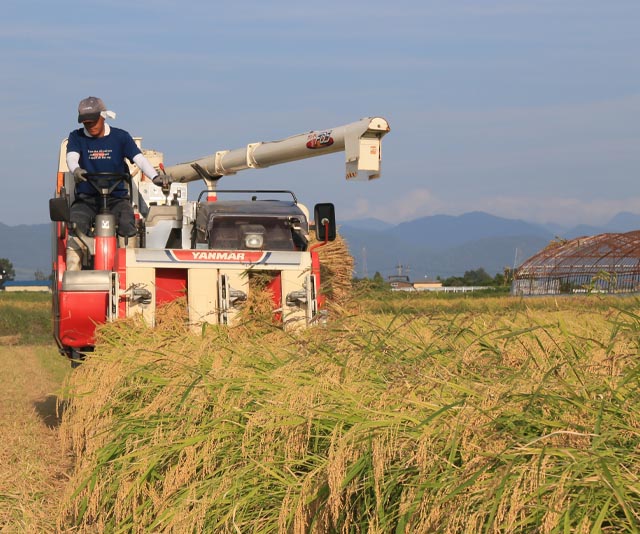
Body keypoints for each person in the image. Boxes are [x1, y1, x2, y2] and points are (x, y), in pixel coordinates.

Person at [65, 96, 170, 269]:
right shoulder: (76, 137)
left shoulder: (120, 137)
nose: (90, 126)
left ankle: (129, 271)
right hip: (87, 198)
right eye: (86, 123)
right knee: (76, 223)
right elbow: (71, 157)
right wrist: (76, 170)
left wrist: (155, 177)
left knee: (127, 222)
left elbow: (140, 160)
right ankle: (73, 272)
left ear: (103, 116)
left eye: (93, 122)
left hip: (116, 198)